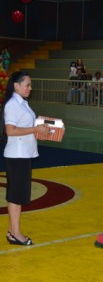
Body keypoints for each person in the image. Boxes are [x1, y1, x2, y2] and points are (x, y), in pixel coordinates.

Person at [1, 71, 51, 245]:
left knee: (16, 194)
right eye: (27, 85)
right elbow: (10, 131)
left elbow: (26, 126)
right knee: (16, 196)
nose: (30, 88)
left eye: (30, 85)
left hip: (22, 154)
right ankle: (16, 233)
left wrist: (42, 128)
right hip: (17, 156)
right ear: (16, 86)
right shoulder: (13, 105)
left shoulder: (22, 103)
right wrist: (36, 130)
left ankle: (11, 231)